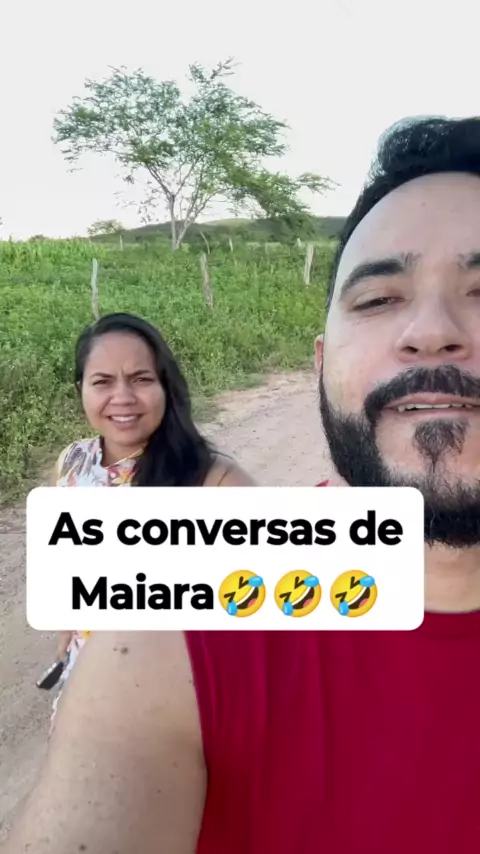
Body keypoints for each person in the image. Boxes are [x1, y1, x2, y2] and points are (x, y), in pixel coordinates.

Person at [7, 116, 480, 853]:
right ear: (321, 362)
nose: (432, 330)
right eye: (378, 298)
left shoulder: (218, 486)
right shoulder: (177, 624)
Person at [42, 312, 255, 714]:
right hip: (85, 684)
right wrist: (67, 627)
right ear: (80, 389)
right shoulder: (73, 462)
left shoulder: (215, 483)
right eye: (102, 382)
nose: (122, 397)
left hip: (173, 705)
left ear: (165, 386)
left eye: (140, 379)